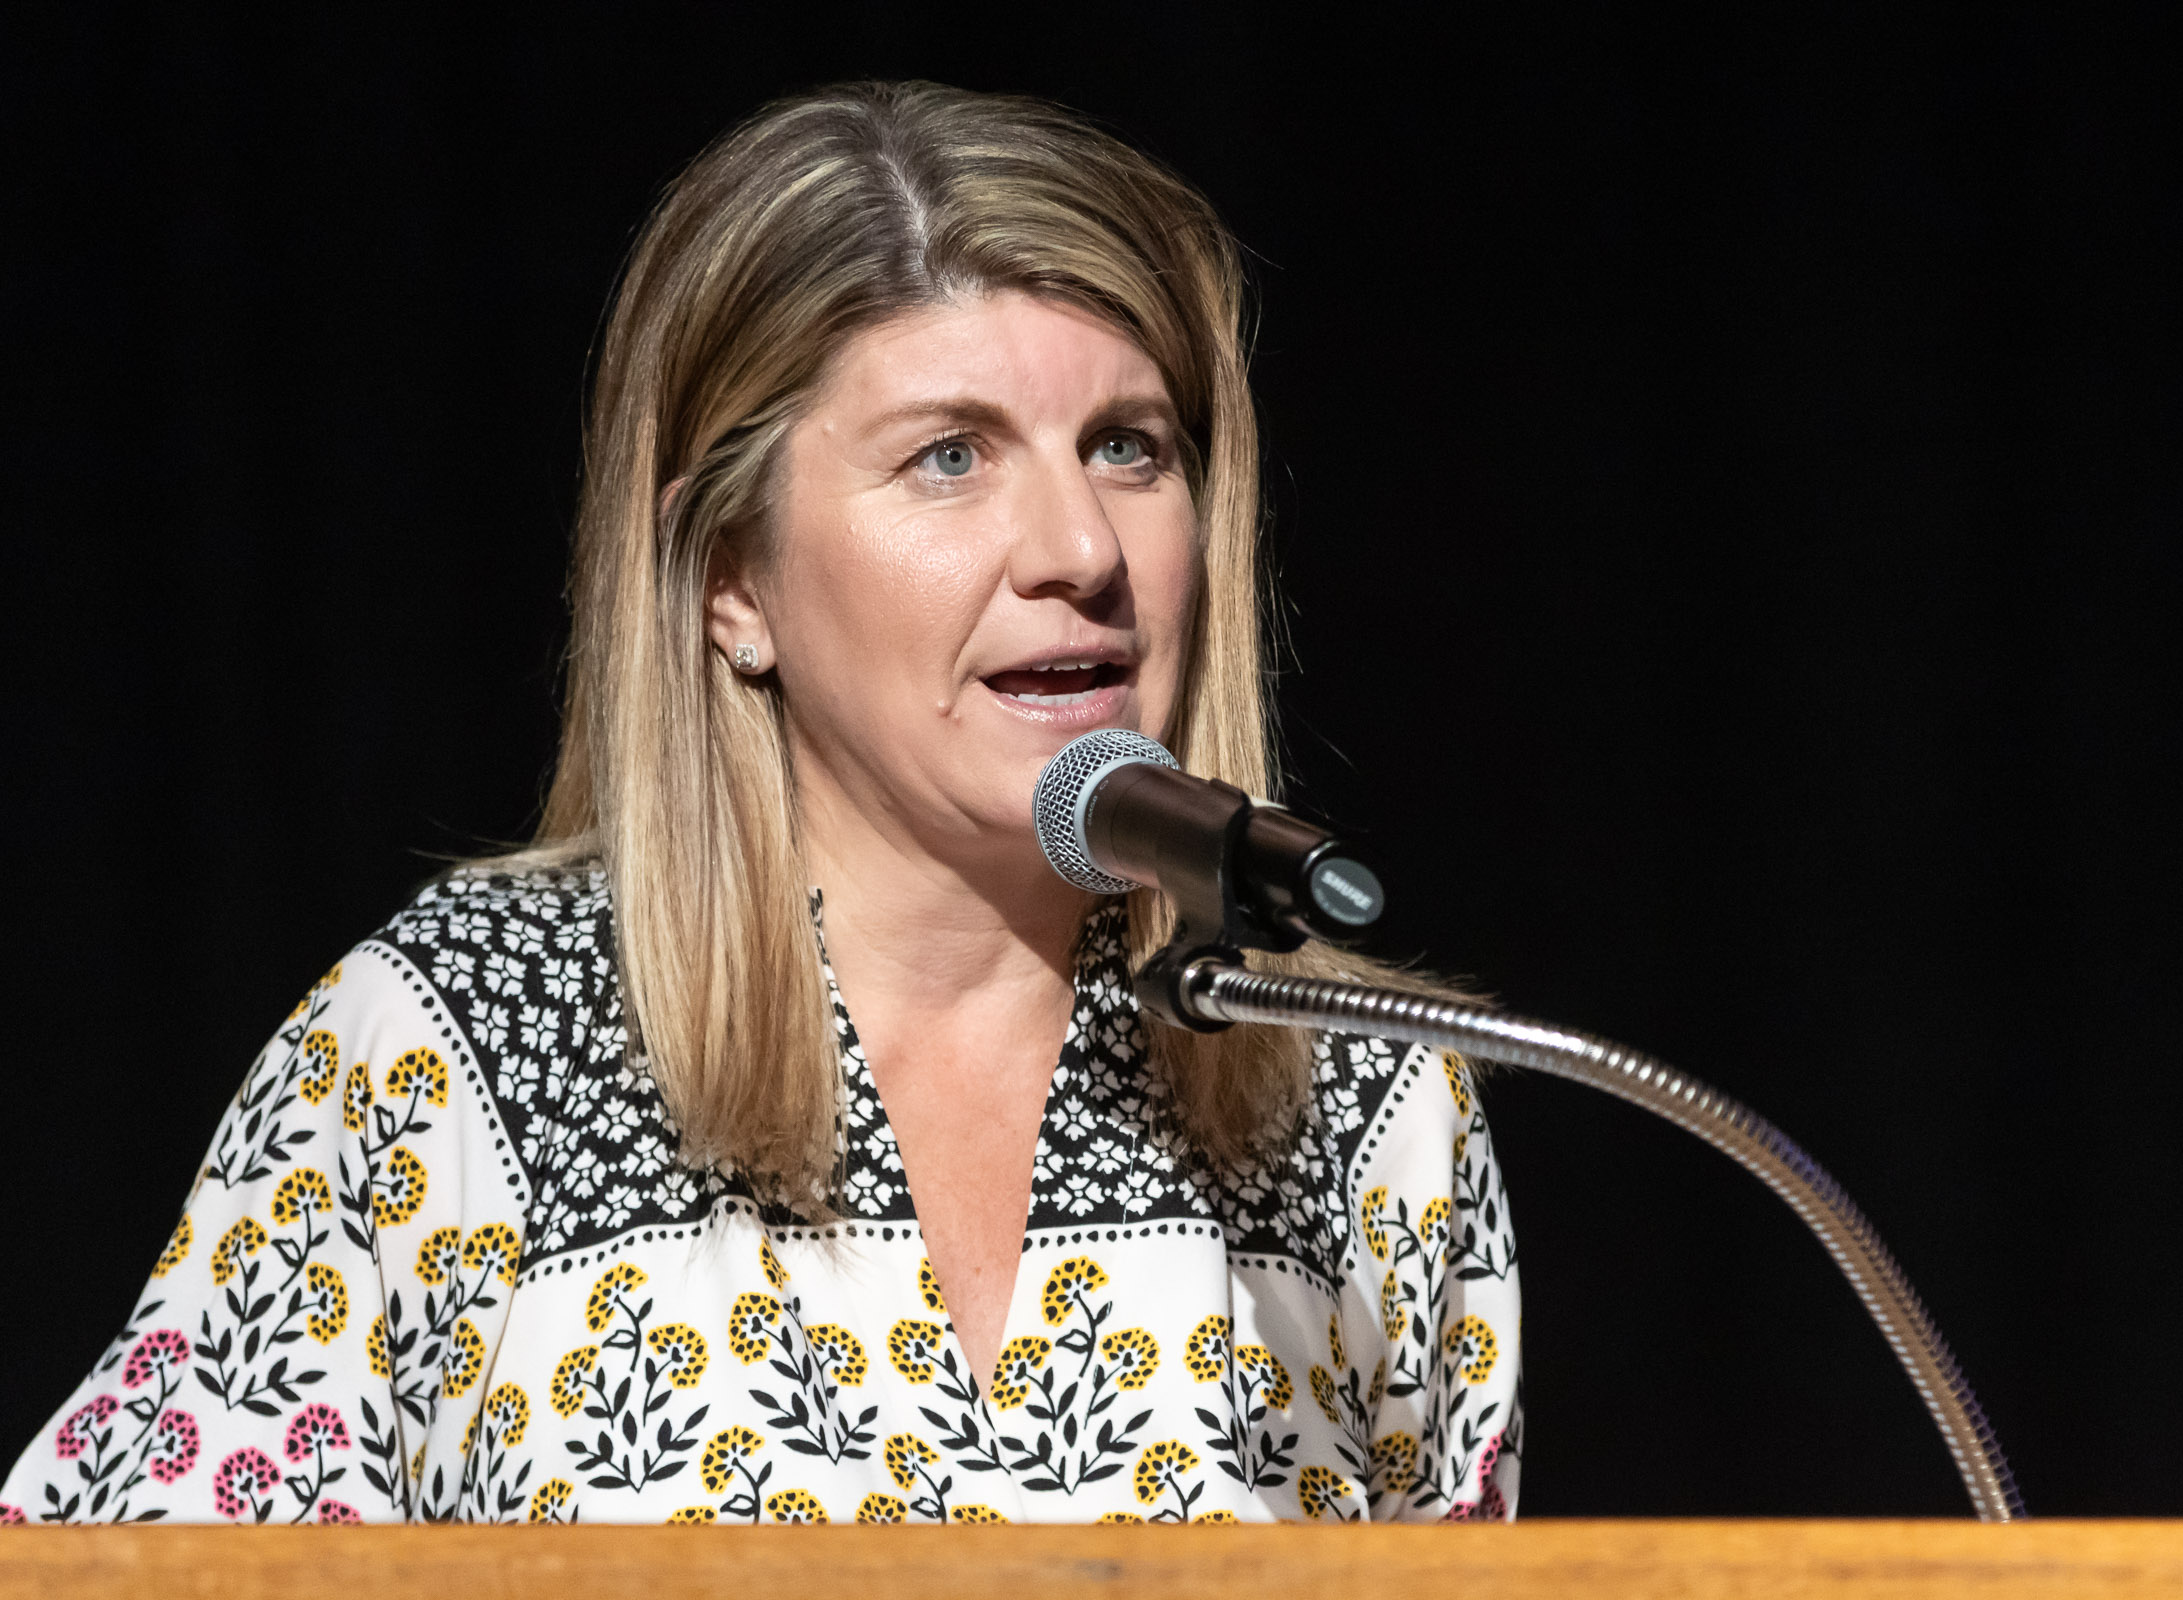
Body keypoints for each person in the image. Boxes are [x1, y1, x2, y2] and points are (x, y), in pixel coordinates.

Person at [1, 81, 1520, 1527]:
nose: (1079, 545)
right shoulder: (446, 1057)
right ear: (732, 580)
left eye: (1129, 447)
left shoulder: (1364, 1103)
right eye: (949, 457)